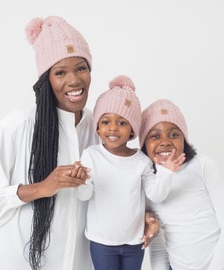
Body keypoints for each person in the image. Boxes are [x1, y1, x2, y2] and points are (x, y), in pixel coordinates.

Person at [0, 16, 158, 270]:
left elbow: (125, 184)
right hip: (10, 262)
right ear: (47, 80)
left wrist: (145, 216)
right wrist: (42, 187)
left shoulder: (102, 129)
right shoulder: (16, 126)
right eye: (60, 72)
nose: (74, 80)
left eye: (81, 68)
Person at [75, 76, 185, 270]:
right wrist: (82, 181)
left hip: (135, 242)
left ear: (133, 130)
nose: (113, 128)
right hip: (102, 242)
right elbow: (84, 196)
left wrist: (166, 172)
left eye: (122, 123)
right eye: (106, 122)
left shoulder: (141, 161)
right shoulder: (91, 155)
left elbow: (155, 195)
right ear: (98, 129)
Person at [139, 99, 224, 270]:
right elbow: (158, 247)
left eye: (174, 134)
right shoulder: (150, 184)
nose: (165, 141)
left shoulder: (204, 166)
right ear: (144, 144)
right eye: (155, 136)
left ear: (184, 139)